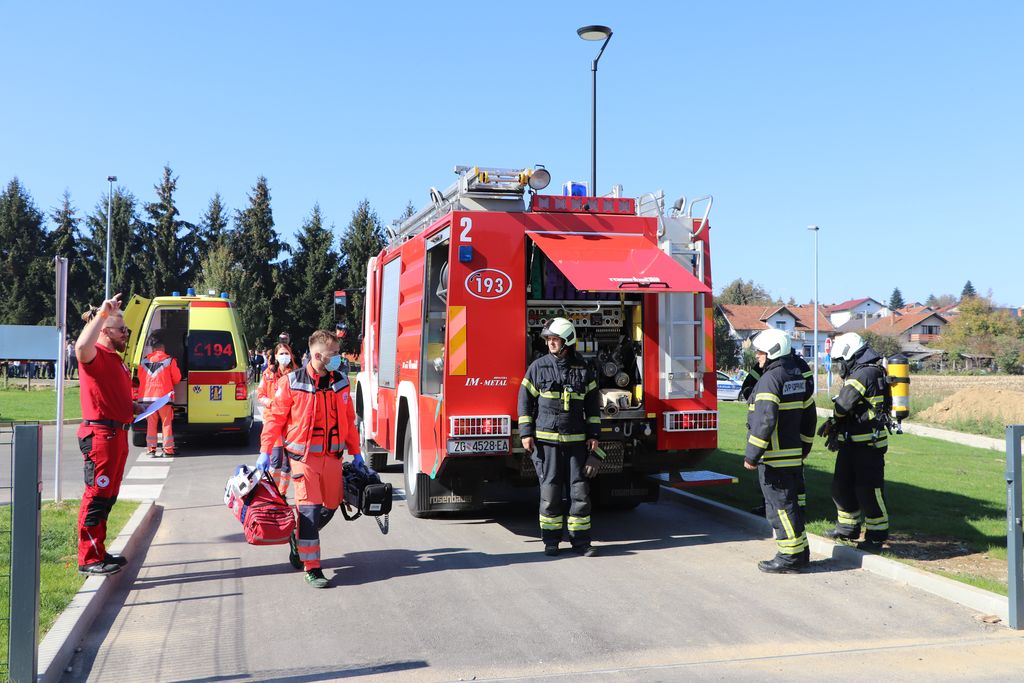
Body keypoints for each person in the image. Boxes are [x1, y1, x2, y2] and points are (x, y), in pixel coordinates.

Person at [259, 329, 362, 588]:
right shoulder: (292, 382)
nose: (339, 358)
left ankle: (298, 538)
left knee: (330, 505)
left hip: (333, 457)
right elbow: (274, 419)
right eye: (334, 354)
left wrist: (357, 452)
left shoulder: (341, 382)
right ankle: (312, 567)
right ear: (318, 355)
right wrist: (264, 451)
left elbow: (349, 420)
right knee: (309, 509)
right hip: (304, 459)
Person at [517, 317, 603, 557]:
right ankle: (551, 542)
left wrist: (594, 434)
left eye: (555, 339)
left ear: (567, 341)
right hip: (546, 443)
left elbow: (593, 407)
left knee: (579, 494)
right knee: (550, 493)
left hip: (576, 443)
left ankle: (581, 542)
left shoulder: (584, 369)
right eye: (549, 339)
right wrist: (526, 433)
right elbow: (524, 401)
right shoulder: (538, 367)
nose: (550, 343)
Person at [743, 329, 817, 573]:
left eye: (761, 352)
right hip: (792, 453)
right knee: (791, 505)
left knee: (779, 509)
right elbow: (809, 416)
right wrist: (805, 446)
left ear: (772, 351)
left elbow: (764, 421)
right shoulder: (795, 376)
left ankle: (790, 557)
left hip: (773, 457)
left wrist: (752, 455)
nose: (758, 357)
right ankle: (800, 552)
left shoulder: (769, 380)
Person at [74, 294, 137, 576]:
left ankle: (98, 549)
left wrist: (136, 406)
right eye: (122, 329)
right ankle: (88, 558)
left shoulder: (115, 360)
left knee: (108, 496)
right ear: (105, 331)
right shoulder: (96, 355)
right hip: (102, 436)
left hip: (117, 434)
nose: (126, 333)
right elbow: (80, 348)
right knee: (97, 495)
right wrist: (102, 312)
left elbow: (113, 396)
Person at [819, 332, 891, 552]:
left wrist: (834, 421)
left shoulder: (865, 374)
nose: (840, 366)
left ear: (850, 355)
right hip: (852, 443)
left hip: (868, 445)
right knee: (841, 487)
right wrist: (836, 426)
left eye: (841, 361)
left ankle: (877, 535)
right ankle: (847, 528)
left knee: (867, 490)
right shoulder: (864, 371)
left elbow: (844, 403)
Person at [740, 341, 815, 516]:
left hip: (780, 439)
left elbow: (807, 391)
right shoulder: (784, 367)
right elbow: (748, 384)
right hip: (791, 438)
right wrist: (754, 397)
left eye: (760, 351)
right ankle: (784, 508)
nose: (757, 355)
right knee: (783, 486)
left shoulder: (785, 371)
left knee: (782, 489)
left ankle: (797, 507)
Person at [256, 341, 299, 496]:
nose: (284, 356)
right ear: (275, 356)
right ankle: (272, 493)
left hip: (290, 423)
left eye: (287, 353)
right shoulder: (268, 374)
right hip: (273, 420)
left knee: (287, 462)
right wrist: (271, 403)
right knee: (275, 460)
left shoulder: (295, 374)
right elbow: (260, 394)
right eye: (281, 353)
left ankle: (282, 493)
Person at [138, 336, 182, 456]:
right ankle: (168, 450)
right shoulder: (169, 360)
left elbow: (140, 377)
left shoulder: (144, 361)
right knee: (166, 423)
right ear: (163, 349)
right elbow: (177, 379)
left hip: (147, 398)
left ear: (153, 349)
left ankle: (151, 449)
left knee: (151, 424)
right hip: (164, 398)